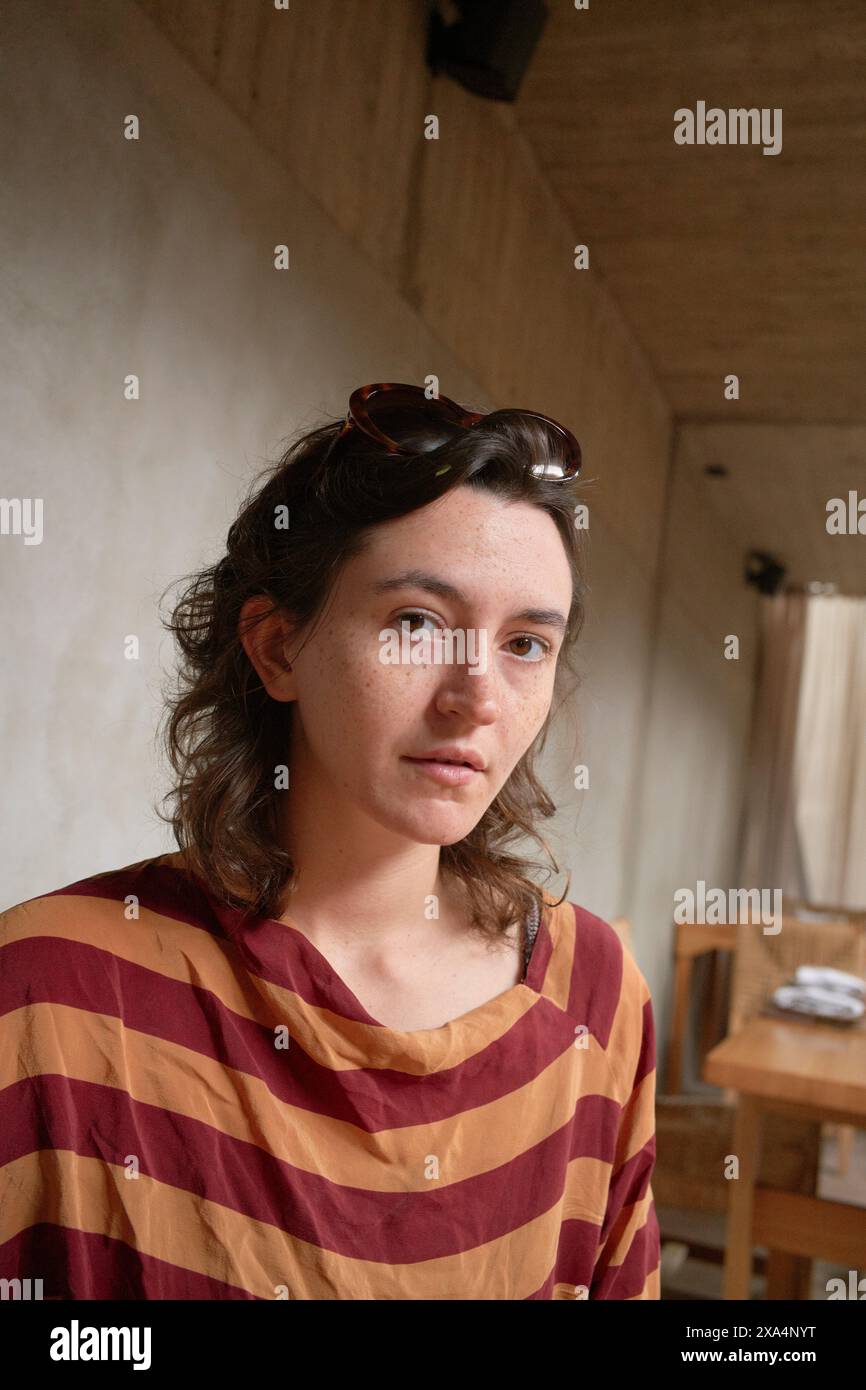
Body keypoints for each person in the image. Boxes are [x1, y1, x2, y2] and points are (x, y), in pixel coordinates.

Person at [0, 382, 660, 1299]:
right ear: (277, 649)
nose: (480, 697)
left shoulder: (597, 992)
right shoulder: (53, 991)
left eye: (525, 644)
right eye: (417, 623)